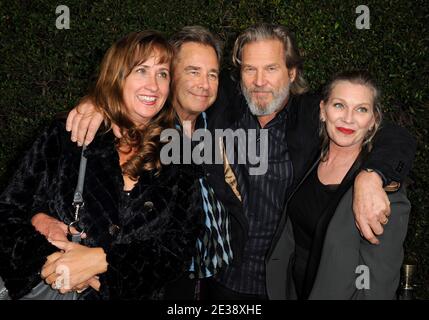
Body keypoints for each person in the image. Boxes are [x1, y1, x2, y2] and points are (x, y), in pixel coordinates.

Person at [63, 24, 416, 300]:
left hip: (283, 281)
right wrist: (97, 102)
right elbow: (159, 87)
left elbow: (392, 134)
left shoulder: (313, 116)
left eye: (272, 69)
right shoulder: (223, 105)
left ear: (292, 74)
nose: (260, 82)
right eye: (249, 69)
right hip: (224, 277)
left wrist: (372, 174)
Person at [0, 30, 203, 300]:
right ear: (117, 76)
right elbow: (6, 213)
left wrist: (100, 263)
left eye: (163, 73)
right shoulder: (65, 136)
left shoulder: (179, 157)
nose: (153, 85)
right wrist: (52, 261)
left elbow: (176, 248)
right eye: (141, 70)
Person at [266, 70, 411, 299]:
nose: (348, 118)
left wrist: (370, 176)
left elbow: (376, 286)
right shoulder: (309, 159)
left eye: (361, 109)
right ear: (323, 111)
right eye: (339, 105)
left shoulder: (380, 191)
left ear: (373, 121)